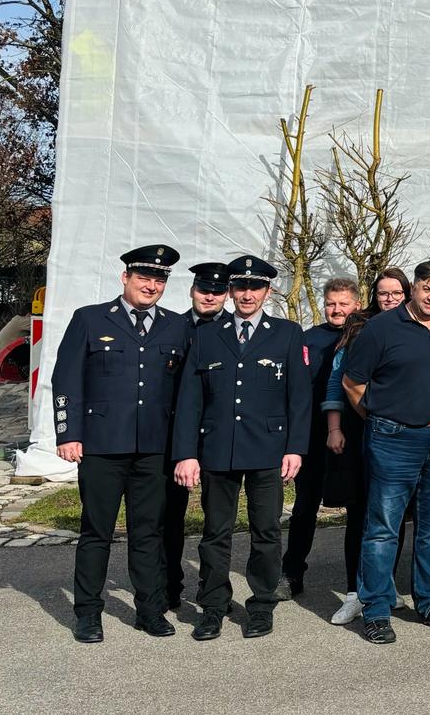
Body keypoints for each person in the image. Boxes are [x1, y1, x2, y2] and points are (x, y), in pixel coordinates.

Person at [172, 256, 311, 641]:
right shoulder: (206, 335)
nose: (248, 294)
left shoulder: (287, 333)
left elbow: (300, 397)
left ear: (268, 291)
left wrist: (296, 448)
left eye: (256, 287)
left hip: (269, 448)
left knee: (266, 530)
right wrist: (186, 453)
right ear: (231, 290)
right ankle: (213, 606)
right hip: (218, 447)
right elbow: (190, 400)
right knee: (215, 533)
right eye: (241, 287)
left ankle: (262, 605)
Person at [53, 244, 187, 642]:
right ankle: (88, 614)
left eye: (159, 280)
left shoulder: (176, 325)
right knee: (97, 532)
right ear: (125, 277)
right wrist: (68, 433)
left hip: (154, 449)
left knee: (148, 533)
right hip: (102, 447)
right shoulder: (90, 319)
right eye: (144, 277)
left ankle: (150, 610)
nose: (151, 286)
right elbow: (66, 378)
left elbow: (185, 391)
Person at [342, 260, 430, 644]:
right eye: (427, 288)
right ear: (413, 287)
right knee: (383, 529)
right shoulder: (381, 328)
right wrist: (381, 419)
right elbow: (352, 383)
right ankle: (377, 609)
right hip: (394, 439)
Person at [319, 266, 409, 626]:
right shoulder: (359, 326)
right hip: (360, 429)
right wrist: (335, 427)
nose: (390, 299)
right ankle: (355, 593)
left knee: (393, 514)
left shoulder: (417, 325)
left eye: (396, 293)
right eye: (383, 293)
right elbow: (336, 380)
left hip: (402, 433)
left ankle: (384, 585)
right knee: (360, 513)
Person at [279, 277, 360, 599]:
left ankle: (357, 581)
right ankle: (292, 572)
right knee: (304, 507)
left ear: (356, 304)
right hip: (313, 436)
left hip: (352, 435)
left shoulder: (364, 336)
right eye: (331, 304)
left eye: (343, 304)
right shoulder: (308, 339)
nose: (336, 309)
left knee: (356, 511)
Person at [164, 260, 230, 613]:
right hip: (176, 433)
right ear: (192, 290)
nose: (210, 296)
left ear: (226, 295)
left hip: (219, 434)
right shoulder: (173, 327)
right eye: (204, 289)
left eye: (217, 291)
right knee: (170, 515)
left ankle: (213, 591)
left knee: (217, 520)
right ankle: (169, 585)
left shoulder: (236, 330)